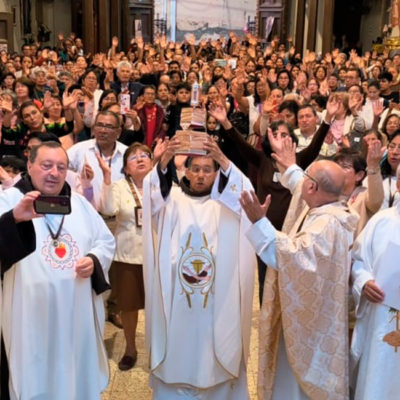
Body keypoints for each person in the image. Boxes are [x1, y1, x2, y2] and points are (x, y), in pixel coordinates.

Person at [142, 137, 256, 399]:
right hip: (175, 292)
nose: (201, 175)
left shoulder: (226, 202)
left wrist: (225, 160)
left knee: (212, 340)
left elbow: (246, 193)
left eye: (208, 169)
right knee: (177, 340)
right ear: (186, 171)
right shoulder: (172, 199)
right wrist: (162, 163)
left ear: (217, 173)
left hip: (218, 292)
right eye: (195, 169)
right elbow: (151, 194)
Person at [0, 141, 115, 399]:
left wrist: (95, 260)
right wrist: (14, 220)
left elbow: (105, 241)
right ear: (29, 166)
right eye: (46, 165)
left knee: (73, 372)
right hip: (30, 316)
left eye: (61, 167)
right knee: (35, 373)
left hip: (76, 313)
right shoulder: (7, 200)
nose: (54, 173)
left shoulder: (79, 204)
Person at [240, 156, 358, 399]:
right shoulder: (330, 209)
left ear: (312, 187)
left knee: (293, 386)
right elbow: (300, 189)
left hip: (308, 330)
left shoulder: (324, 225)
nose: (302, 181)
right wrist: (290, 167)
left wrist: (259, 223)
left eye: (306, 176)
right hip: (315, 319)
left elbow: (292, 257)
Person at [97, 143, 153, 371]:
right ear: (127, 169)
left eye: (145, 156)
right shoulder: (120, 186)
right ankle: (130, 348)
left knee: (158, 306)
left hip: (156, 256)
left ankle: (159, 349)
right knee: (129, 307)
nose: (140, 159)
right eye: (133, 158)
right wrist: (107, 177)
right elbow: (109, 209)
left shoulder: (162, 185)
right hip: (127, 256)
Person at [350, 164, 400, 400]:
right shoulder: (381, 222)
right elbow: (357, 261)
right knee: (377, 382)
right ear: (399, 185)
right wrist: (364, 282)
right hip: (380, 320)